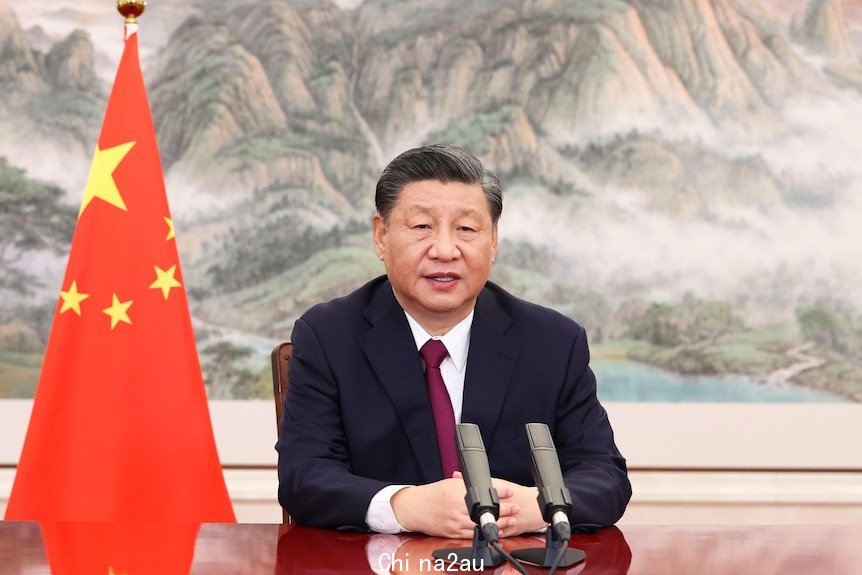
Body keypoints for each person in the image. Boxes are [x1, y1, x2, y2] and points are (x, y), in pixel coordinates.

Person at [276, 144, 631, 538]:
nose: (445, 250)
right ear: (381, 236)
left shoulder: (552, 342)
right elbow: (303, 476)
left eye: (466, 229)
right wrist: (405, 506)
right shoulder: (329, 336)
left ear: (493, 239)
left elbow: (605, 478)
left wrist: (535, 507)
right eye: (421, 227)